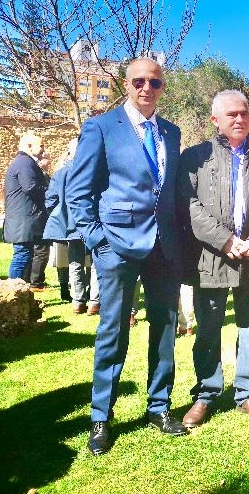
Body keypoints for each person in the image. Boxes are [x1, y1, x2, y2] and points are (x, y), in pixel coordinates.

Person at [67, 57, 188, 454]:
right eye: (138, 81)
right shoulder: (101, 127)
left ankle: (159, 407)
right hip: (116, 245)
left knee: (165, 328)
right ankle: (101, 415)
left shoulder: (171, 132)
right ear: (125, 83)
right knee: (112, 331)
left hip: (163, 247)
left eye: (154, 83)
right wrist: (96, 241)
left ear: (162, 86)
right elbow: (78, 191)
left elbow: (167, 192)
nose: (146, 89)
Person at [177, 90, 249, 428]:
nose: (239, 119)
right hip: (212, 257)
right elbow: (188, 204)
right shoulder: (196, 157)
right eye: (231, 115)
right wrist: (224, 241)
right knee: (209, 328)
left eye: (243, 113)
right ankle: (205, 394)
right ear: (215, 120)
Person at [43, 138, 95, 312]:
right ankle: (95, 301)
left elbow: (50, 200)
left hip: (71, 225)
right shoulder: (93, 170)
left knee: (75, 263)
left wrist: (62, 214)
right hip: (92, 221)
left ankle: (78, 302)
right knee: (96, 263)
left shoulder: (61, 173)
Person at [4, 133, 49, 285]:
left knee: (25, 255)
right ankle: (12, 292)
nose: (43, 149)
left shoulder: (23, 162)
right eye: (41, 145)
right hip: (22, 220)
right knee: (21, 256)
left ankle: (21, 294)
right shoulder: (25, 162)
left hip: (22, 219)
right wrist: (49, 190)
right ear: (29, 146)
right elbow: (30, 187)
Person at [29, 147, 53, 289]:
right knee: (41, 250)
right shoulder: (39, 174)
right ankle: (36, 282)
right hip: (39, 216)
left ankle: (37, 280)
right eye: (47, 158)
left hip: (38, 215)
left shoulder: (41, 174)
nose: (49, 161)